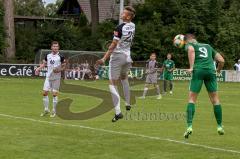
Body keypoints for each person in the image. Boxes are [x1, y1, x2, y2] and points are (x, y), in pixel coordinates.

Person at [96, 6, 136, 122]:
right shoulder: (133, 26)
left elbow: (113, 45)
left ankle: (118, 112)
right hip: (127, 57)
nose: (122, 13)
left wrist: (104, 58)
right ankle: (128, 103)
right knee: (124, 78)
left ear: (128, 16)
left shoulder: (119, 28)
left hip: (118, 57)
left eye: (124, 13)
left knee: (112, 84)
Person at [183, 34, 225, 139]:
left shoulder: (190, 44)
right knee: (215, 100)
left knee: (192, 99)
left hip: (198, 71)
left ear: (189, 40)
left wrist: (191, 67)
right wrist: (218, 71)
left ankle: (189, 126)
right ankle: (219, 126)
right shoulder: (208, 46)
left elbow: (191, 50)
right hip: (211, 72)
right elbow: (221, 60)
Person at [35, 41, 65, 117]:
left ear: (58, 47)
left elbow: (64, 66)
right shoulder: (48, 56)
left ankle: (54, 111)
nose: (55, 48)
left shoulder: (61, 57)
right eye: (54, 46)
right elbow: (44, 64)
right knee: (45, 93)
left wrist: (59, 70)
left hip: (56, 78)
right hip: (48, 77)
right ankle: (46, 109)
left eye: (56, 46)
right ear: (51, 47)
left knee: (54, 94)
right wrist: (38, 69)